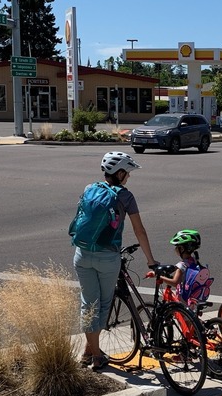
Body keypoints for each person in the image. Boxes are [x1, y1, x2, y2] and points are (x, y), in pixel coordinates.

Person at [73, 151, 157, 371]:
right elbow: (139, 230)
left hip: (82, 254)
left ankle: (87, 351)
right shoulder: (125, 196)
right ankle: (97, 356)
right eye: (127, 173)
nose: (128, 177)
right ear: (119, 173)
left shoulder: (89, 189)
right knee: (102, 305)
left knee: (87, 304)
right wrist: (150, 259)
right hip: (108, 257)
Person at [157, 229, 208, 307]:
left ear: (182, 249)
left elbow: (175, 282)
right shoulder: (194, 261)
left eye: (177, 247)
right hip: (193, 297)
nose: (175, 249)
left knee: (182, 317)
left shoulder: (181, 265)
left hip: (184, 300)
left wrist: (159, 277)